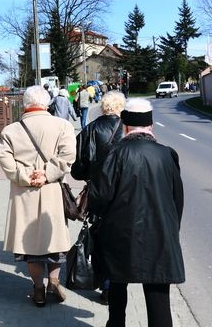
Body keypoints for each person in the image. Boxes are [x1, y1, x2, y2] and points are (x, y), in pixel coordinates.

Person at [89, 98, 185, 327]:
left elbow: (99, 197)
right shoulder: (167, 155)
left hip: (120, 235)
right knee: (158, 297)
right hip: (159, 235)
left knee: (117, 289)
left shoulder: (116, 154)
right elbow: (177, 200)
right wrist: (171, 230)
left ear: (126, 126)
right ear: (150, 125)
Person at [0, 85, 76, 307]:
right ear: (47, 103)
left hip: (23, 193)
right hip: (51, 190)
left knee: (31, 248)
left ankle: (38, 290)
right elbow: (68, 154)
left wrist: (25, 176)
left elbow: (6, 162)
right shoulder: (63, 125)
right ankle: (53, 281)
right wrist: (48, 174)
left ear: (25, 104)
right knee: (54, 242)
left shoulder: (10, 131)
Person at [70, 90, 126, 305]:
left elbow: (77, 168)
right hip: (122, 193)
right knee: (118, 238)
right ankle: (114, 284)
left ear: (103, 107)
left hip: (96, 192)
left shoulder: (90, 129)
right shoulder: (127, 129)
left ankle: (104, 284)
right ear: (121, 107)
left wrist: (88, 176)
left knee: (99, 238)